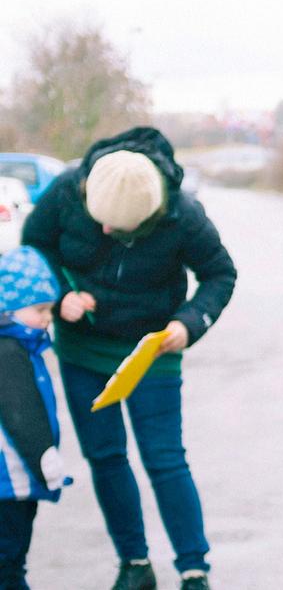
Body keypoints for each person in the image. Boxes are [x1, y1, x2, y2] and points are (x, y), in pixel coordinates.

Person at [22, 127, 236, 590]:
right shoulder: (67, 189)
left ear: (149, 218)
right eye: (97, 219)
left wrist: (188, 323)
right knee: (106, 457)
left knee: (165, 459)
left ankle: (193, 569)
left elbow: (219, 273)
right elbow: (35, 245)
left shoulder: (183, 214)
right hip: (83, 349)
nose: (102, 229)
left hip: (153, 351)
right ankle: (134, 564)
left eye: (115, 228)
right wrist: (60, 297)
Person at [0, 247, 70, 590]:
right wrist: (46, 460)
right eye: (40, 309)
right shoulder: (8, 352)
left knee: (11, 559)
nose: (47, 318)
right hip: (7, 483)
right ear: (8, 307)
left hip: (14, 480)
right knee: (9, 561)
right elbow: (21, 413)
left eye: (50, 310)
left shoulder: (22, 346)